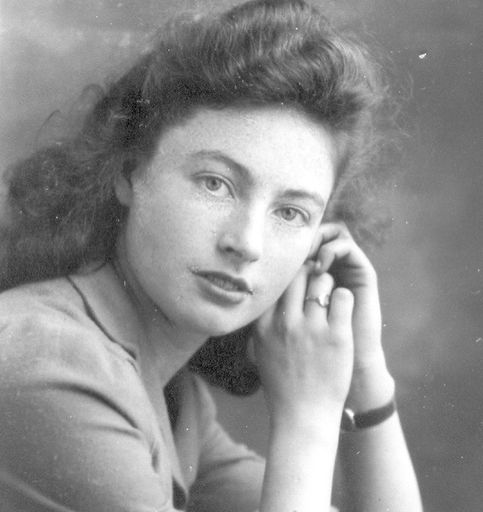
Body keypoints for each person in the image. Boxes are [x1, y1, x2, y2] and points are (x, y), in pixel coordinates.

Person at [0, 0, 423, 511]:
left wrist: (363, 378)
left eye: (291, 213)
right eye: (215, 184)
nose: (246, 243)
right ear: (128, 172)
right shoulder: (52, 370)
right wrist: (308, 419)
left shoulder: (175, 401)